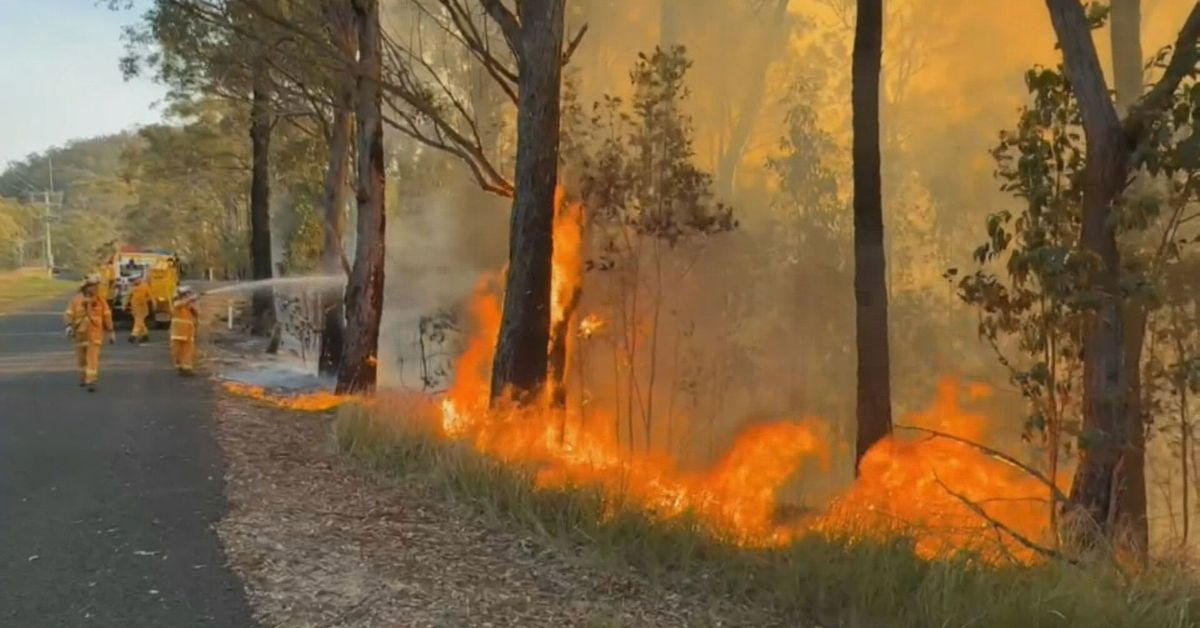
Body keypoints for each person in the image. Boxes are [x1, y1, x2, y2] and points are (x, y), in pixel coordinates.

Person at [64, 275, 115, 392]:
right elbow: (68, 314)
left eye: (96, 286)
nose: (96, 289)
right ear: (86, 287)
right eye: (93, 286)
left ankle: (91, 380)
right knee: (82, 359)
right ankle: (83, 378)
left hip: (95, 335)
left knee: (92, 358)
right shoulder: (76, 300)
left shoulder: (101, 301)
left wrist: (111, 331)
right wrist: (68, 326)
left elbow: (107, 317)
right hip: (80, 335)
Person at [170, 285, 200, 376]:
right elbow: (179, 304)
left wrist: (194, 303)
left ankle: (186, 367)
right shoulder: (177, 303)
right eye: (187, 294)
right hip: (178, 331)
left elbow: (198, 313)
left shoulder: (189, 305)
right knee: (177, 350)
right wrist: (190, 300)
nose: (188, 295)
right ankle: (180, 364)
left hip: (188, 331)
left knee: (188, 349)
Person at [128, 276, 153, 344]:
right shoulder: (132, 287)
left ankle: (133, 335)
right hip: (135, 308)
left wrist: (144, 300)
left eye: (135, 280)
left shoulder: (145, 286)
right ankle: (145, 335)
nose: (133, 281)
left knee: (138, 321)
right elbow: (129, 296)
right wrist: (125, 305)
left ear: (139, 279)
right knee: (140, 322)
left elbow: (150, 296)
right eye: (133, 280)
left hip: (142, 308)